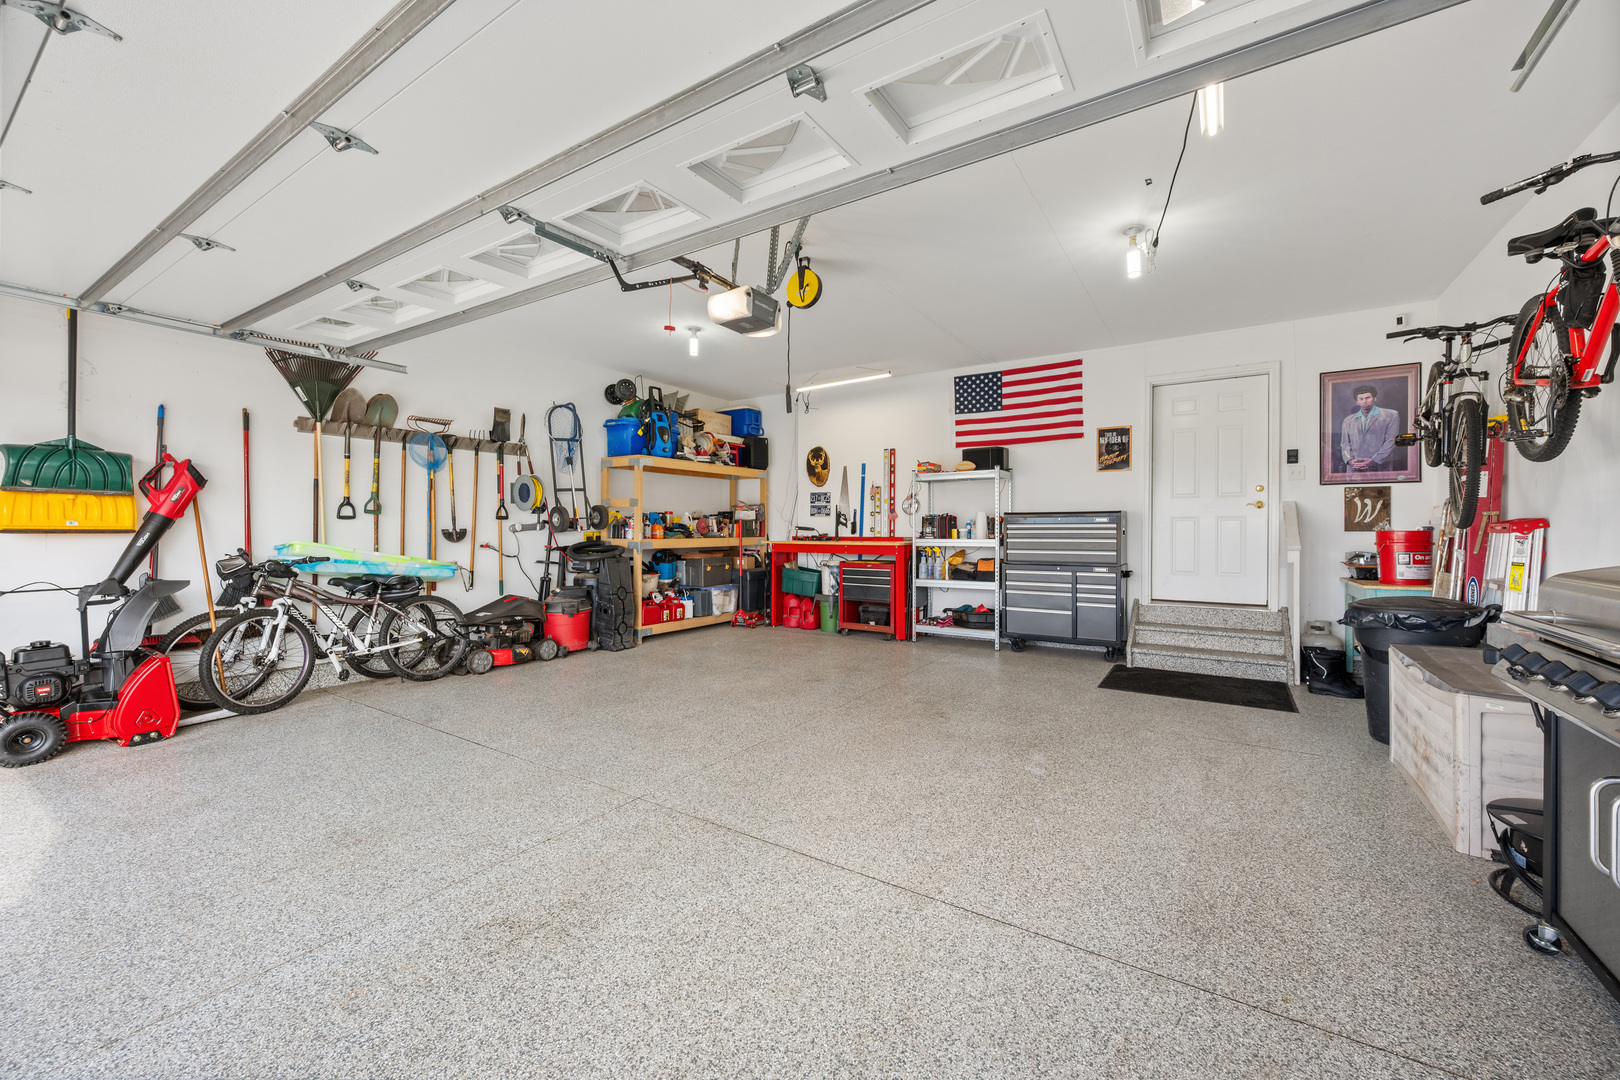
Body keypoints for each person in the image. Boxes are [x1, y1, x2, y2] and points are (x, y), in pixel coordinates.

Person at [1340, 385, 1398, 472]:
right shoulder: (1348, 420)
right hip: (1354, 468)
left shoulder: (1391, 415)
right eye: (1361, 399)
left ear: (1374, 399)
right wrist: (1350, 460)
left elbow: (1392, 441)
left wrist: (1373, 460)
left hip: (1380, 468)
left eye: (1367, 398)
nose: (1365, 401)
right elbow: (1345, 444)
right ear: (1357, 402)